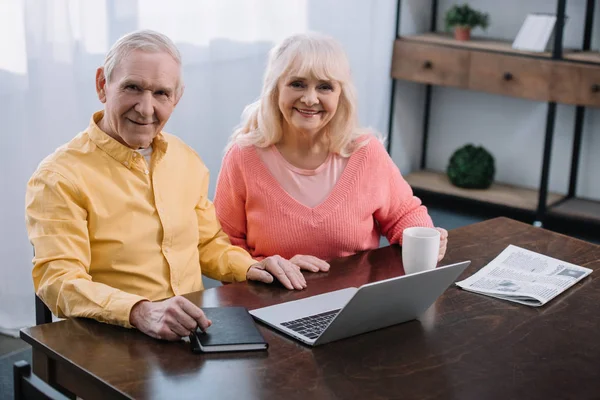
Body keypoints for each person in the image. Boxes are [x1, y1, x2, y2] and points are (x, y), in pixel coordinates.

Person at [25, 30, 306, 342]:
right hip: (111, 339)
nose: (146, 109)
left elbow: (206, 244)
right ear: (103, 85)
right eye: (133, 88)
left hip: (192, 332)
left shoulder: (186, 159)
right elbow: (59, 281)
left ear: (177, 97)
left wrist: (253, 267)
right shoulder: (58, 176)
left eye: (161, 93)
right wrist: (139, 310)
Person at [214, 32, 448, 272]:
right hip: (271, 300)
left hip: (356, 302)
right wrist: (261, 268)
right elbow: (223, 245)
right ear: (276, 89)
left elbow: (404, 214)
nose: (310, 98)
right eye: (297, 84)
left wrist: (427, 235)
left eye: (325, 87)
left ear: (340, 95)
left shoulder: (366, 152)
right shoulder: (242, 157)